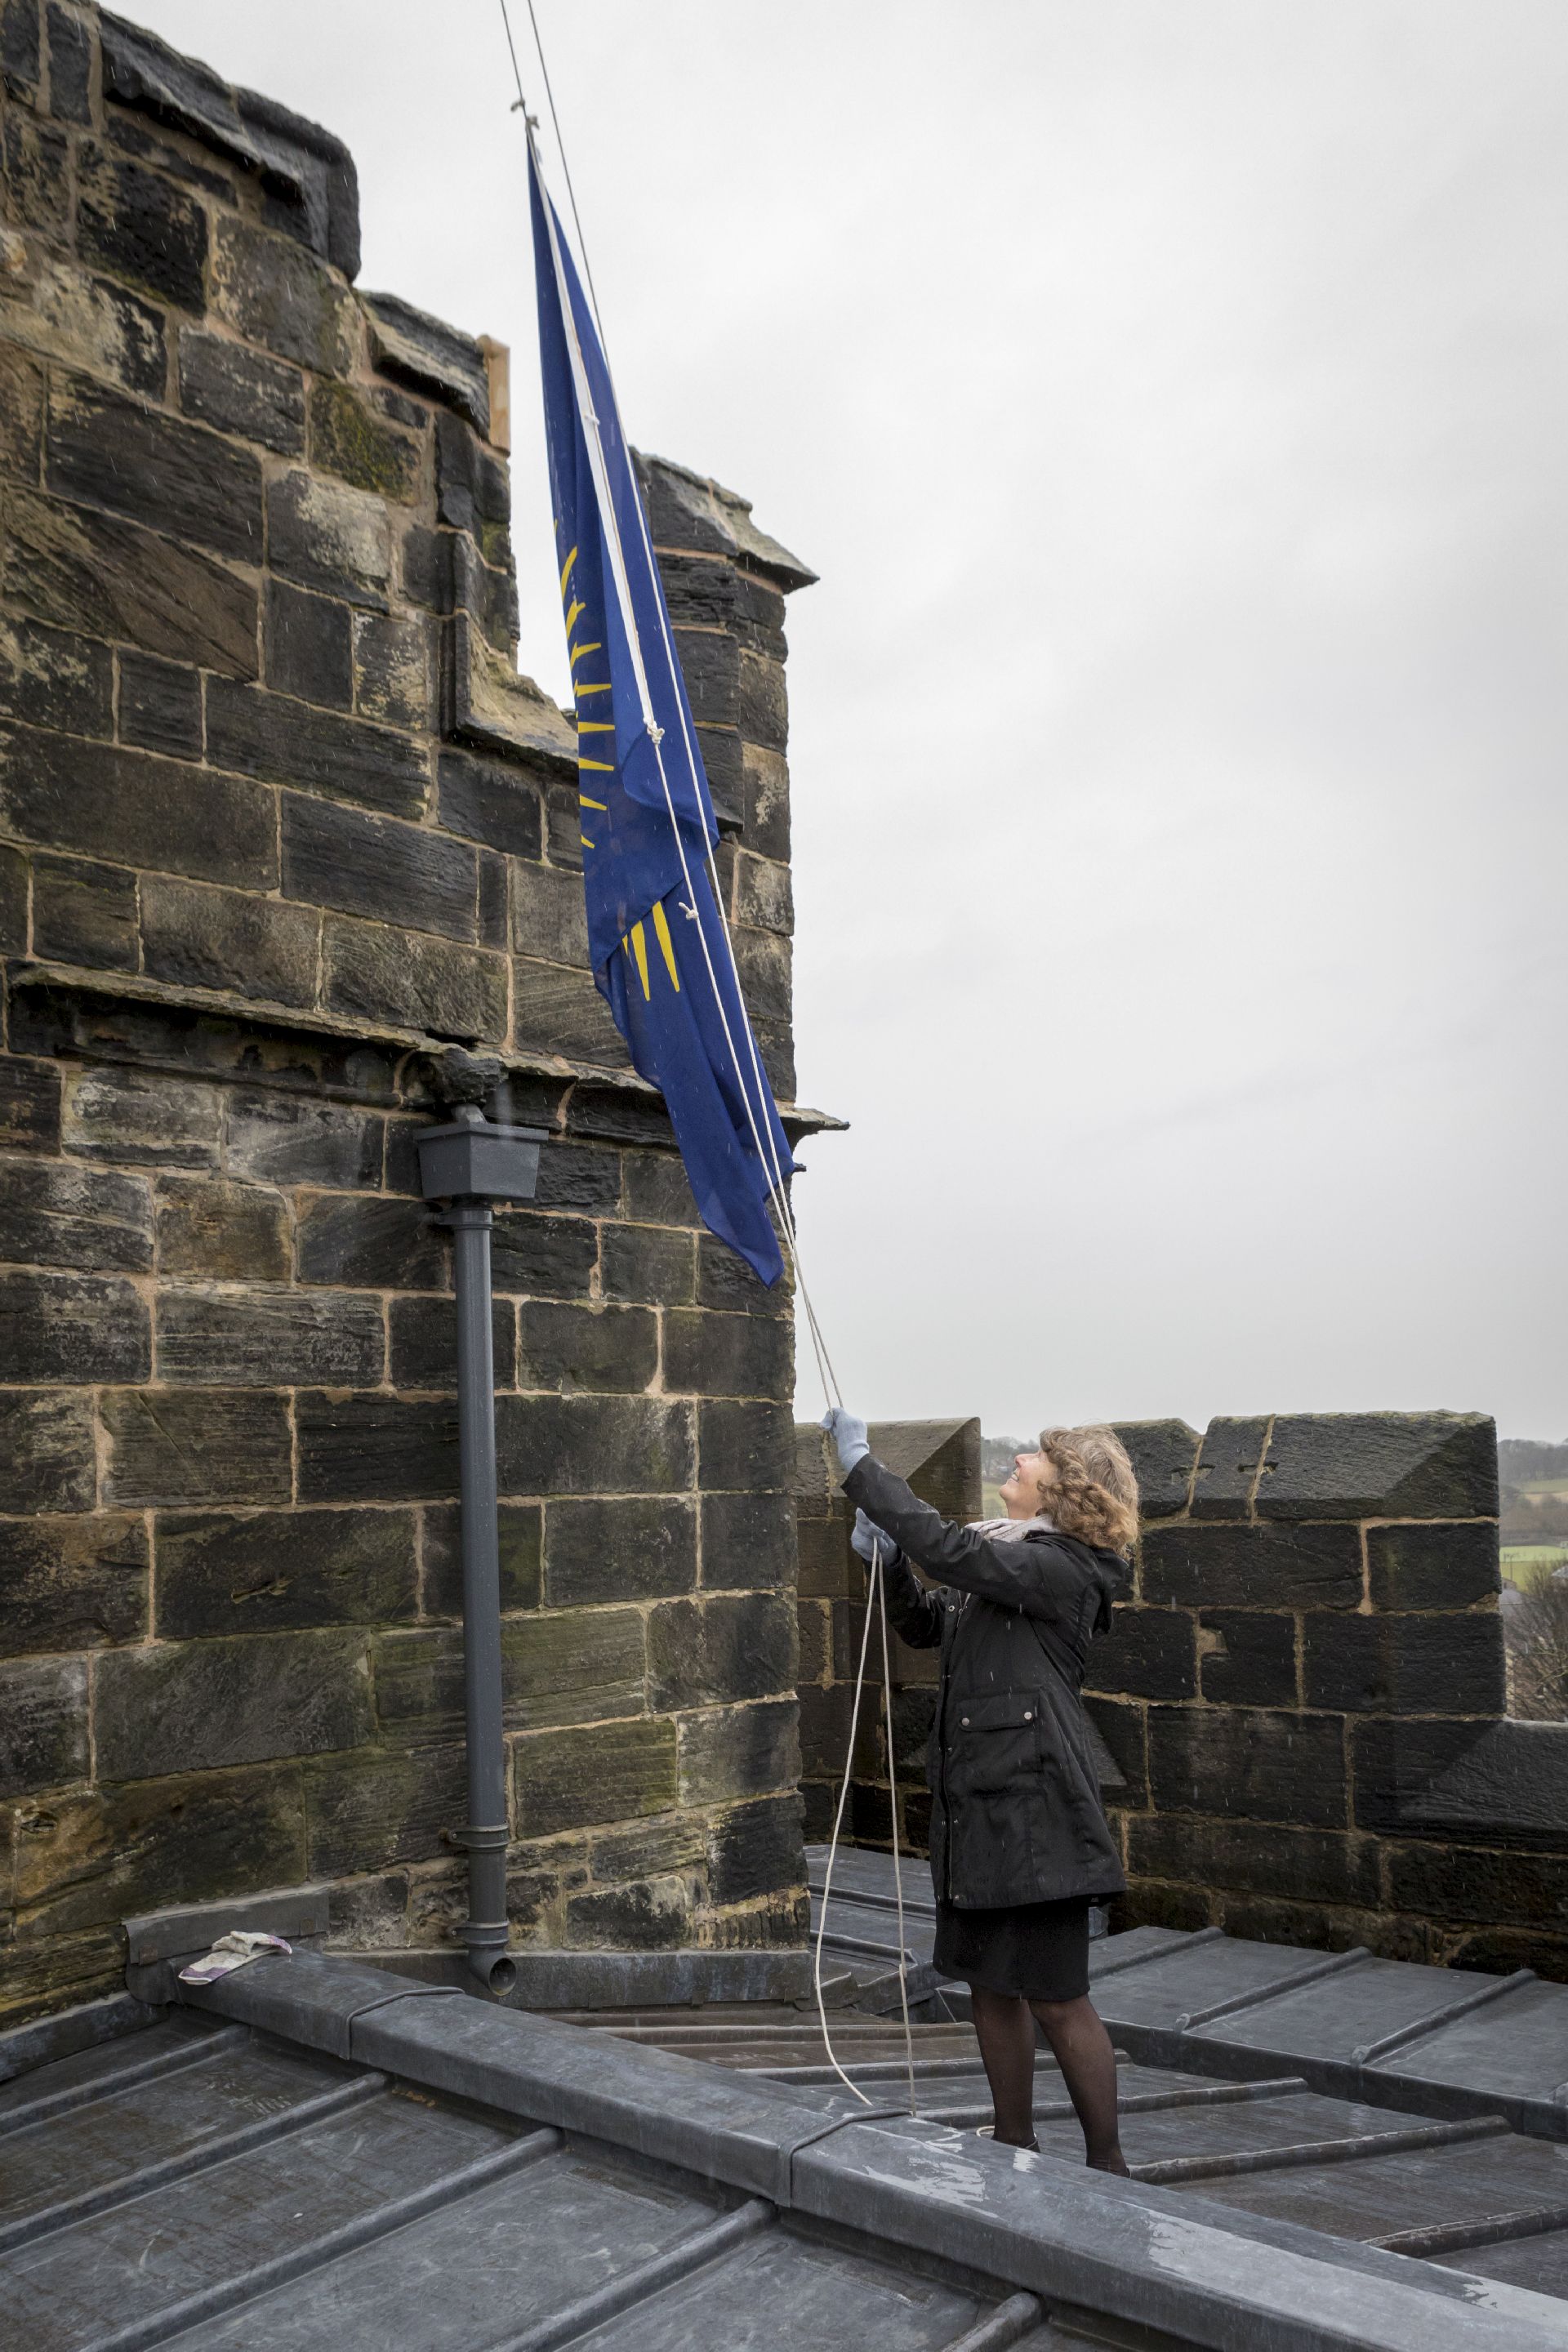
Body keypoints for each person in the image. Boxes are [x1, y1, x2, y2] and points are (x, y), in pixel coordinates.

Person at [820, 1405, 1137, 2172]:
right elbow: (928, 1624)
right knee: (993, 1989)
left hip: (1041, 1815)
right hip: (986, 1809)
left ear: (1066, 1491)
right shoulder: (1010, 1556)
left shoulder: (1061, 1569)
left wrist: (865, 1473)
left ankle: (1109, 2165)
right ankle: (1012, 2141)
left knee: (1058, 1998)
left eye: (1039, 1457)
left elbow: (951, 1551)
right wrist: (887, 1560)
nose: (1022, 1459)